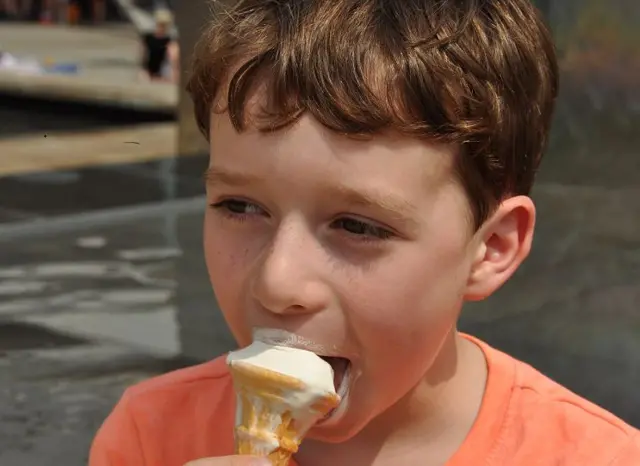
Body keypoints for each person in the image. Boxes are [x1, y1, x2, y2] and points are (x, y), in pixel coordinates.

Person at [89, 0, 640, 465]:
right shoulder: (150, 439)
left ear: (491, 248)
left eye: (357, 225)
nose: (278, 283)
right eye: (239, 205)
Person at [138, 8, 178, 83]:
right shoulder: (148, 37)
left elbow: (172, 57)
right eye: (161, 24)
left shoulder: (168, 39)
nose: (162, 27)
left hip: (162, 70)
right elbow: (143, 54)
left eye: (164, 25)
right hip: (150, 69)